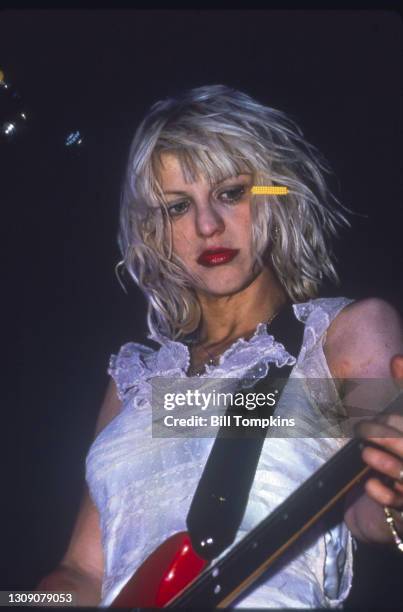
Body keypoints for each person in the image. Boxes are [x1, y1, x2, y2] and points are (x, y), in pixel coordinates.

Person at [37, 85, 403, 608]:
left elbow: (371, 503)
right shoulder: (133, 382)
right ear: (153, 230)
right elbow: (82, 571)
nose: (207, 226)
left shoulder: (346, 333)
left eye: (231, 193)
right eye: (178, 206)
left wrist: (397, 494)